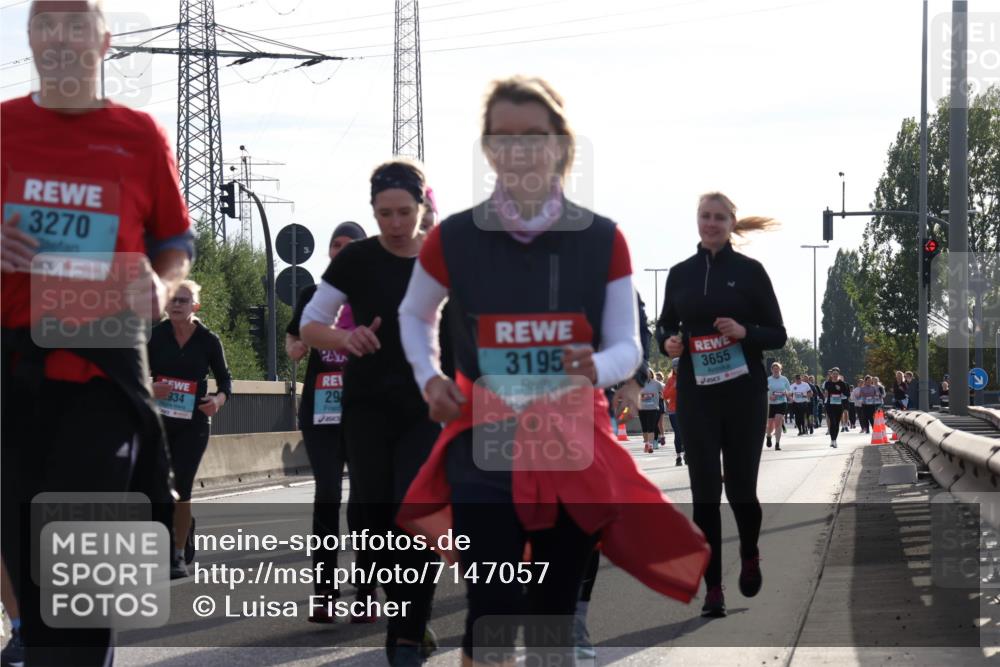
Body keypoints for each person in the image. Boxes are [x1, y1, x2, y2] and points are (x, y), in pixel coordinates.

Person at [397, 75, 709, 665]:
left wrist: (591, 365)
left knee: (551, 615)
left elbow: (628, 347)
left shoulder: (602, 240)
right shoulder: (453, 237)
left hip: (571, 443)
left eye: (534, 137)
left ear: (561, 147)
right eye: (504, 138)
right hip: (481, 440)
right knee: (491, 606)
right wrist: (430, 378)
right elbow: (414, 315)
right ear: (489, 150)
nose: (520, 151)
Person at [1, 2, 193, 664]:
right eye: (44, 23)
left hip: (102, 373)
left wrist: (161, 286)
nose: (58, 36)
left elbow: (174, 242)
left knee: (79, 564)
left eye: (74, 23)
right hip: (12, 369)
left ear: (104, 41)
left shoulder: (138, 135)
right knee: (27, 569)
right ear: (29, 37)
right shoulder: (2, 126)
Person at [299, 160, 440, 666]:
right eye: (385, 214)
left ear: (422, 206)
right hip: (365, 409)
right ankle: (405, 612)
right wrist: (345, 335)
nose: (396, 224)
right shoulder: (356, 260)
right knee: (371, 522)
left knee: (414, 515)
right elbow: (312, 324)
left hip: (426, 407)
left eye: (405, 212)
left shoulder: (444, 259)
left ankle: (405, 635)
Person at [656, 191, 787, 617]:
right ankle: (713, 589)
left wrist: (744, 331)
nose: (710, 224)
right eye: (704, 217)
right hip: (697, 393)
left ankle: (749, 553)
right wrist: (668, 343)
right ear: (697, 221)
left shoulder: (750, 272)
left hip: (744, 393)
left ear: (731, 224)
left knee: (742, 491)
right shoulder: (680, 274)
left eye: (718, 217)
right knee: (705, 494)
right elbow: (663, 326)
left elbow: (778, 333)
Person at [284, 221, 377, 623]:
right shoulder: (312, 296)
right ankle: (324, 594)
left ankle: (366, 593)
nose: (341, 251)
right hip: (321, 410)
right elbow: (291, 346)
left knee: (363, 505)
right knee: (326, 496)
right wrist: (299, 344)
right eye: (335, 245)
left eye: (349, 245)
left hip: (363, 411)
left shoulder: (375, 295)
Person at [147, 280, 232, 579]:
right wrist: (150, 387)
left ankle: (177, 555)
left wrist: (218, 401)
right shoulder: (154, 336)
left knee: (181, 485)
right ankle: (181, 529)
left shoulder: (209, 340)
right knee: (157, 486)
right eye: (172, 299)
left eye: (184, 300)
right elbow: (134, 373)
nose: (177, 304)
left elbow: (226, 382)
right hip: (158, 422)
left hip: (194, 423)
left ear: (195, 306)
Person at [663, 363, 685, 466]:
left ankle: (686, 453)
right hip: (674, 410)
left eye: (679, 366)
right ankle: (678, 457)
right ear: (673, 369)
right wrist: (674, 386)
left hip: (687, 410)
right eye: (675, 367)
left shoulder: (689, 378)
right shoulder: (671, 380)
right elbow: (665, 395)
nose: (677, 369)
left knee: (686, 433)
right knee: (678, 433)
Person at [766, 362, 791, 451]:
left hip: (782, 403)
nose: (776, 371)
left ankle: (777, 443)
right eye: (774, 369)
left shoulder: (784, 379)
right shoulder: (768, 379)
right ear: (771, 370)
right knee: (770, 424)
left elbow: (790, 391)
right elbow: (764, 391)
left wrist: (786, 393)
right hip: (771, 404)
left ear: (780, 370)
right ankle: (768, 436)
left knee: (778, 422)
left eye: (778, 369)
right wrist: (769, 396)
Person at [639, 372, 665, 453]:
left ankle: (650, 445)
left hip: (653, 408)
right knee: (644, 428)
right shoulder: (639, 382)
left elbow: (664, 391)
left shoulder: (657, 383)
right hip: (642, 408)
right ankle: (646, 443)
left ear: (651, 374)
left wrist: (661, 396)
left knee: (651, 428)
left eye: (649, 373)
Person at [823, 368, 850, 448]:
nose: (835, 375)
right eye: (833, 374)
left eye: (836, 374)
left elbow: (847, 394)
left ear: (838, 375)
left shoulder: (842, 383)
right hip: (830, 405)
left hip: (839, 405)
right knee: (832, 422)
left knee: (837, 423)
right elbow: (826, 392)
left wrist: (840, 389)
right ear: (831, 375)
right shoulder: (828, 383)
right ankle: (832, 440)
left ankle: (835, 440)